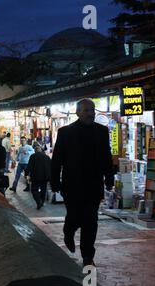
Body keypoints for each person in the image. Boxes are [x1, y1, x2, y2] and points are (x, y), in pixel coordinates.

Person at [51, 99, 114, 267]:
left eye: (92, 110)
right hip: (72, 184)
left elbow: (106, 156)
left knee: (91, 221)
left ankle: (87, 256)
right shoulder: (65, 132)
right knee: (74, 216)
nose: (90, 113)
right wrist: (55, 181)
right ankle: (68, 231)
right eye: (86, 110)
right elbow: (57, 159)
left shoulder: (102, 131)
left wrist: (109, 178)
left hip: (94, 184)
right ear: (78, 113)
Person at [26, 145, 51, 210]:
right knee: (43, 190)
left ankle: (38, 201)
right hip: (45, 177)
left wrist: (27, 174)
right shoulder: (47, 157)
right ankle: (42, 202)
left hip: (35, 177)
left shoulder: (33, 156)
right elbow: (50, 167)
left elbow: (29, 166)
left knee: (34, 190)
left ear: (35, 151)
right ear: (41, 150)